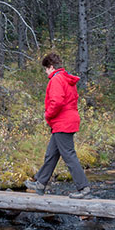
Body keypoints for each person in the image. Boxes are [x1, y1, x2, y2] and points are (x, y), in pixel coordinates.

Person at [25, 52, 91, 198]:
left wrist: (47, 115)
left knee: (69, 156)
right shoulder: (66, 78)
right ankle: (40, 183)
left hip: (63, 122)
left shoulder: (56, 79)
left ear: (51, 67)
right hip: (66, 121)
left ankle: (84, 189)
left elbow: (57, 102)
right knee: (51, 154)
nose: (46, 72)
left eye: (46, 69)